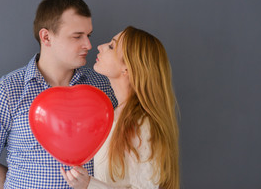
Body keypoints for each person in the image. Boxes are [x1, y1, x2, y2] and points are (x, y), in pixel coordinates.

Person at [0, 0, 117, 189]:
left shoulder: (103, 87)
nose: (88, 45)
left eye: (89, 35)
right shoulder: (7, 92)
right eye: (77, 36)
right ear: (46, 37)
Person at [61, 26, 180, 189]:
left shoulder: (142, 124)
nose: (100, 46)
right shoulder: (114, 115)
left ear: (127, 67)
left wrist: (89, 185)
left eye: (111, 46)